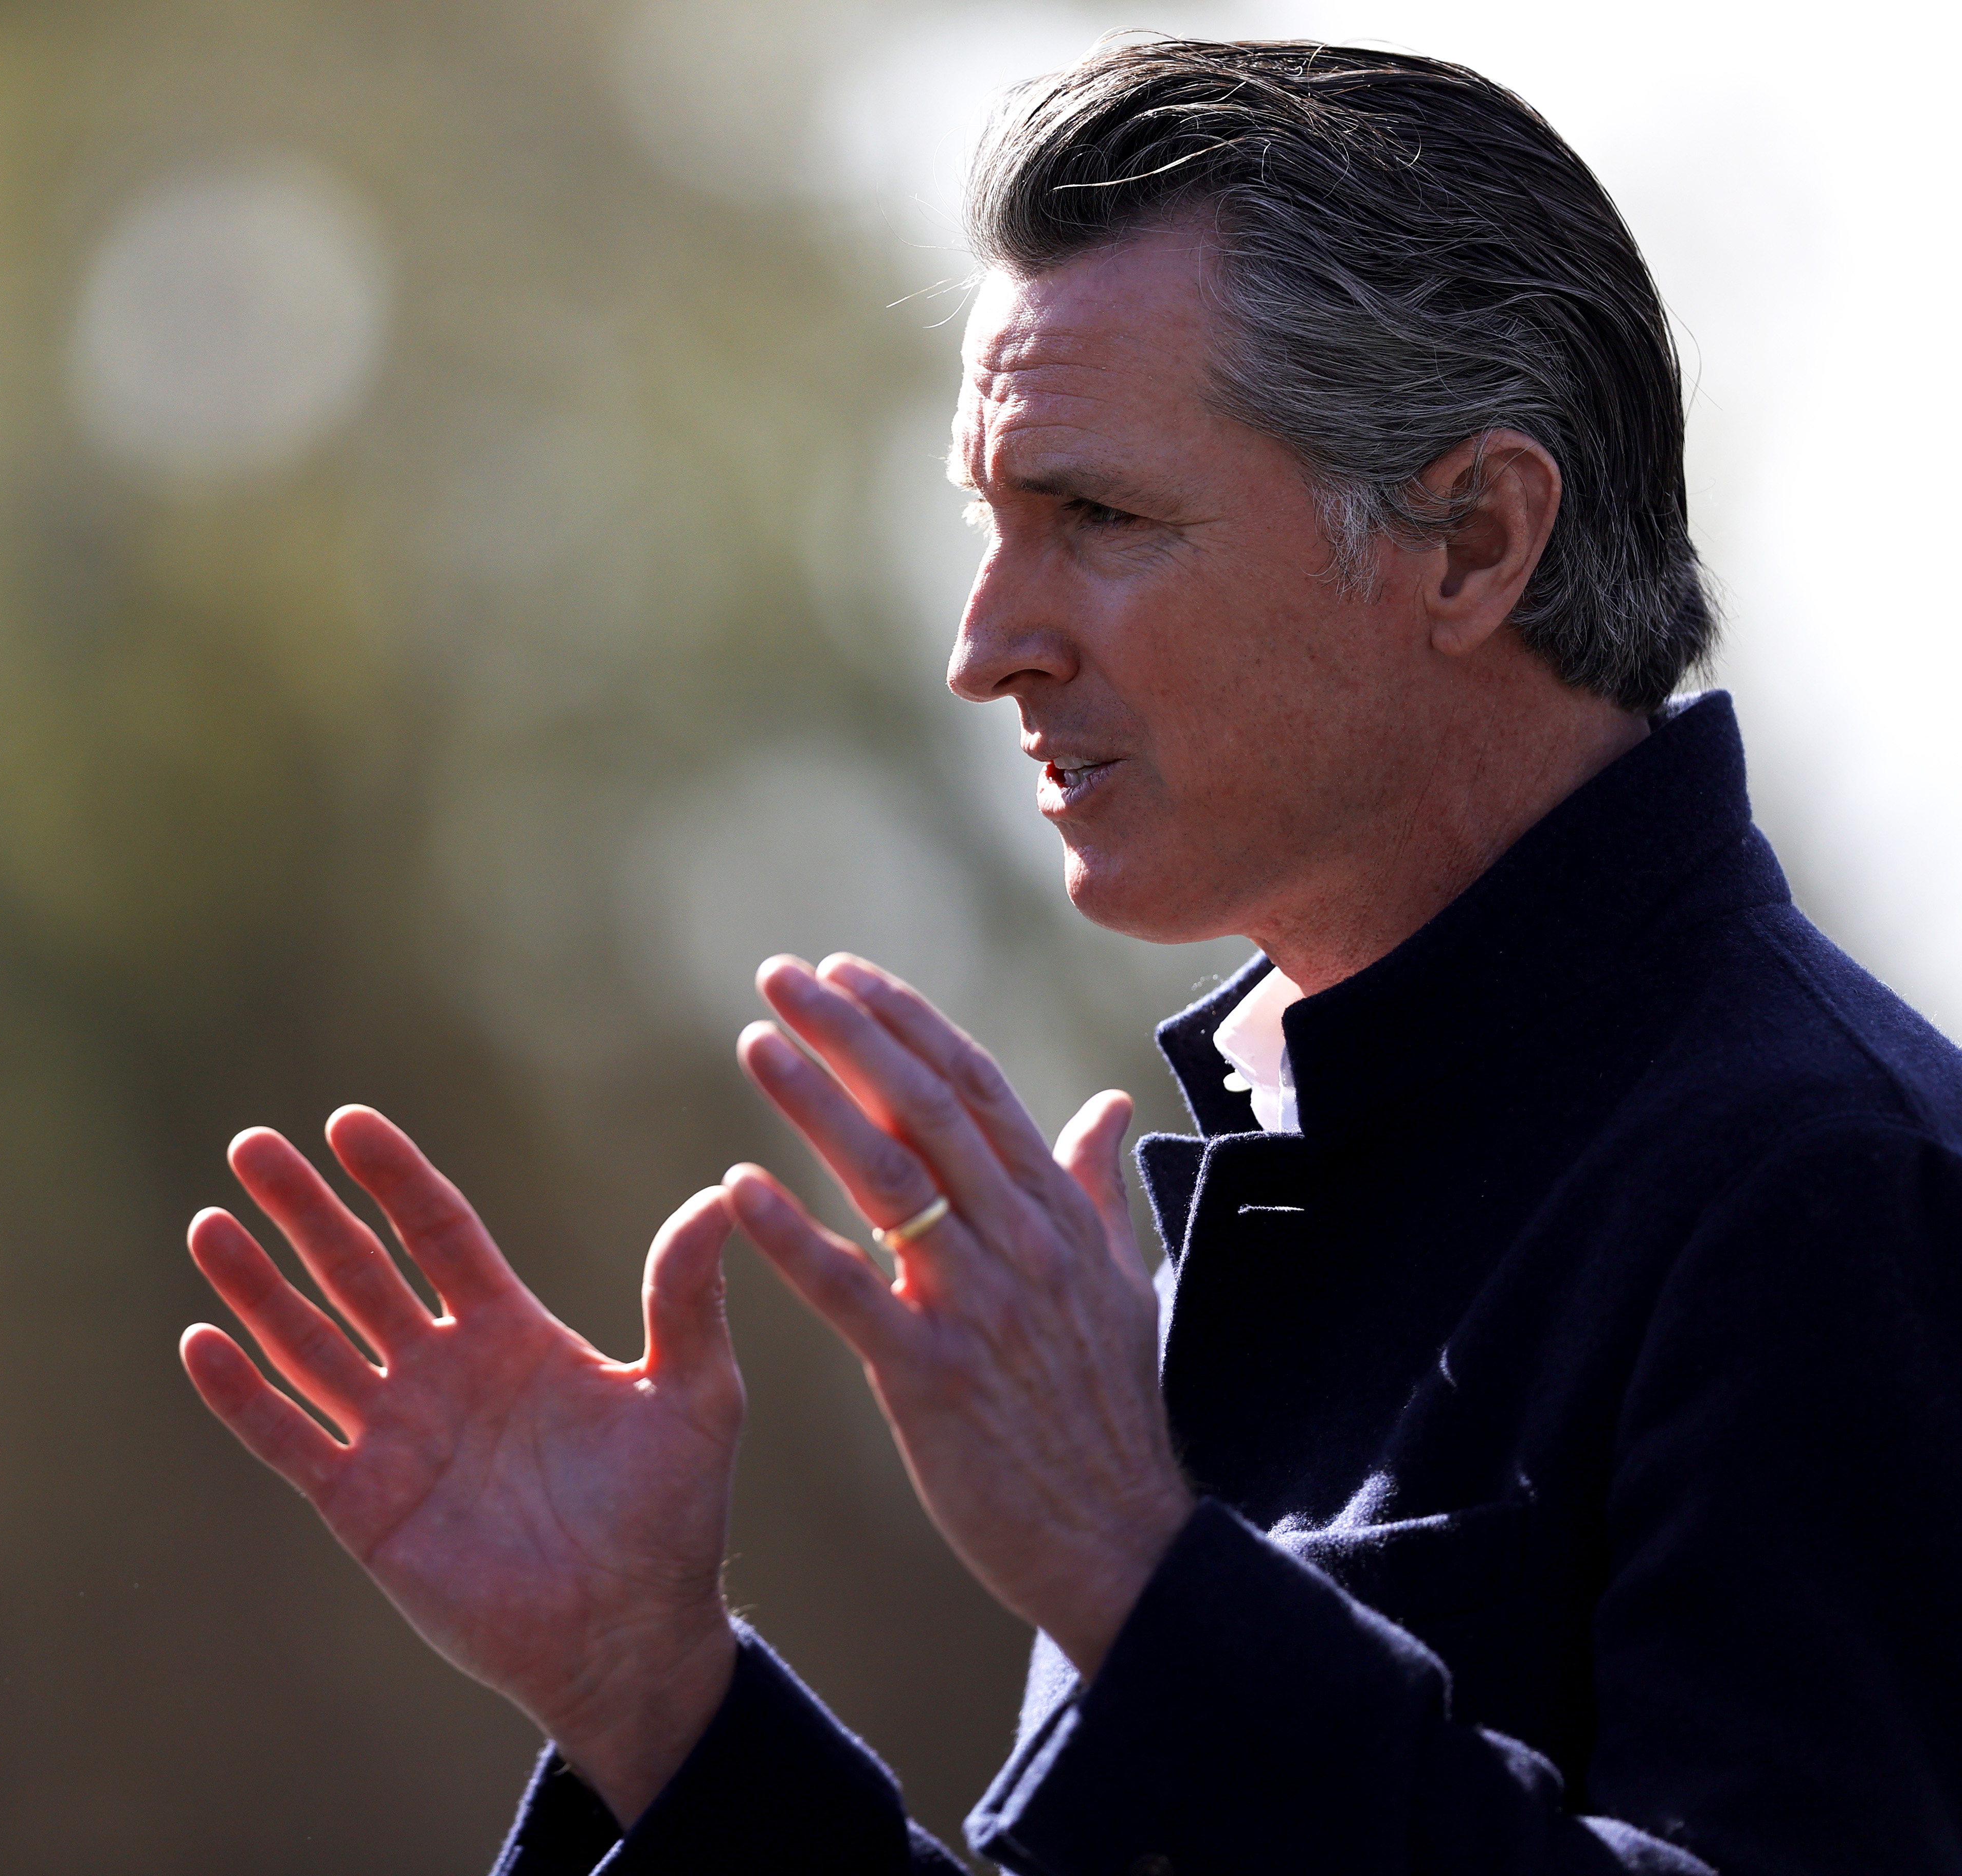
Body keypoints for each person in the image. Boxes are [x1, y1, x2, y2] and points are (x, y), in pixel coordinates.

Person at [176, 39, 1962, 1873]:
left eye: (1096, 517)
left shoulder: (1826, 1187)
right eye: (986, 519)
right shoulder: (1296, 1182)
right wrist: (655, 1695)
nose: (985, 644)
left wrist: (1141, 1571)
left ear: (1474, 540)